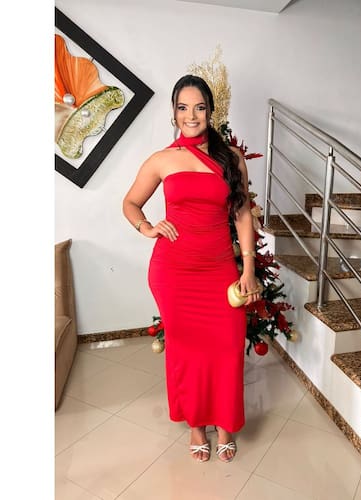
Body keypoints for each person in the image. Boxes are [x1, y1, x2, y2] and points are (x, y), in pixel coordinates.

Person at [122, 74, 260, 463]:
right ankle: (197, 426)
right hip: (174, 273)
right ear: (174, 113)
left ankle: (225, 425)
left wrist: (247, 267)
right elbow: (130, 203)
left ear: (211, 111)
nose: (192, 115)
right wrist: (147, 227)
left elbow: (242, 213)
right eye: (183, 108)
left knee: (227, 349)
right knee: (186, 352)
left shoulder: (230, 158)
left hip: (219, 270)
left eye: (199, 107)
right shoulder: (162, 160)